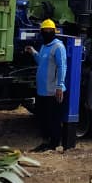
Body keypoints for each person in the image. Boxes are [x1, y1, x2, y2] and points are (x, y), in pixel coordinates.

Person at [27, 19, 67, 152]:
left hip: (53, 91)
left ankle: (54, 143)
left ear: (54, 31)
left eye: (50, 30)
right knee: (44, 117)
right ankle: (46, 142)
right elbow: (41, 61)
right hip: (42, 90)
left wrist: (59, 86)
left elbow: (62, 67)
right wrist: (33, 52)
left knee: (53, 118)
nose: (47, 32)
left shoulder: (58, 47)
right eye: (45, 30)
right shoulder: (44, 46)